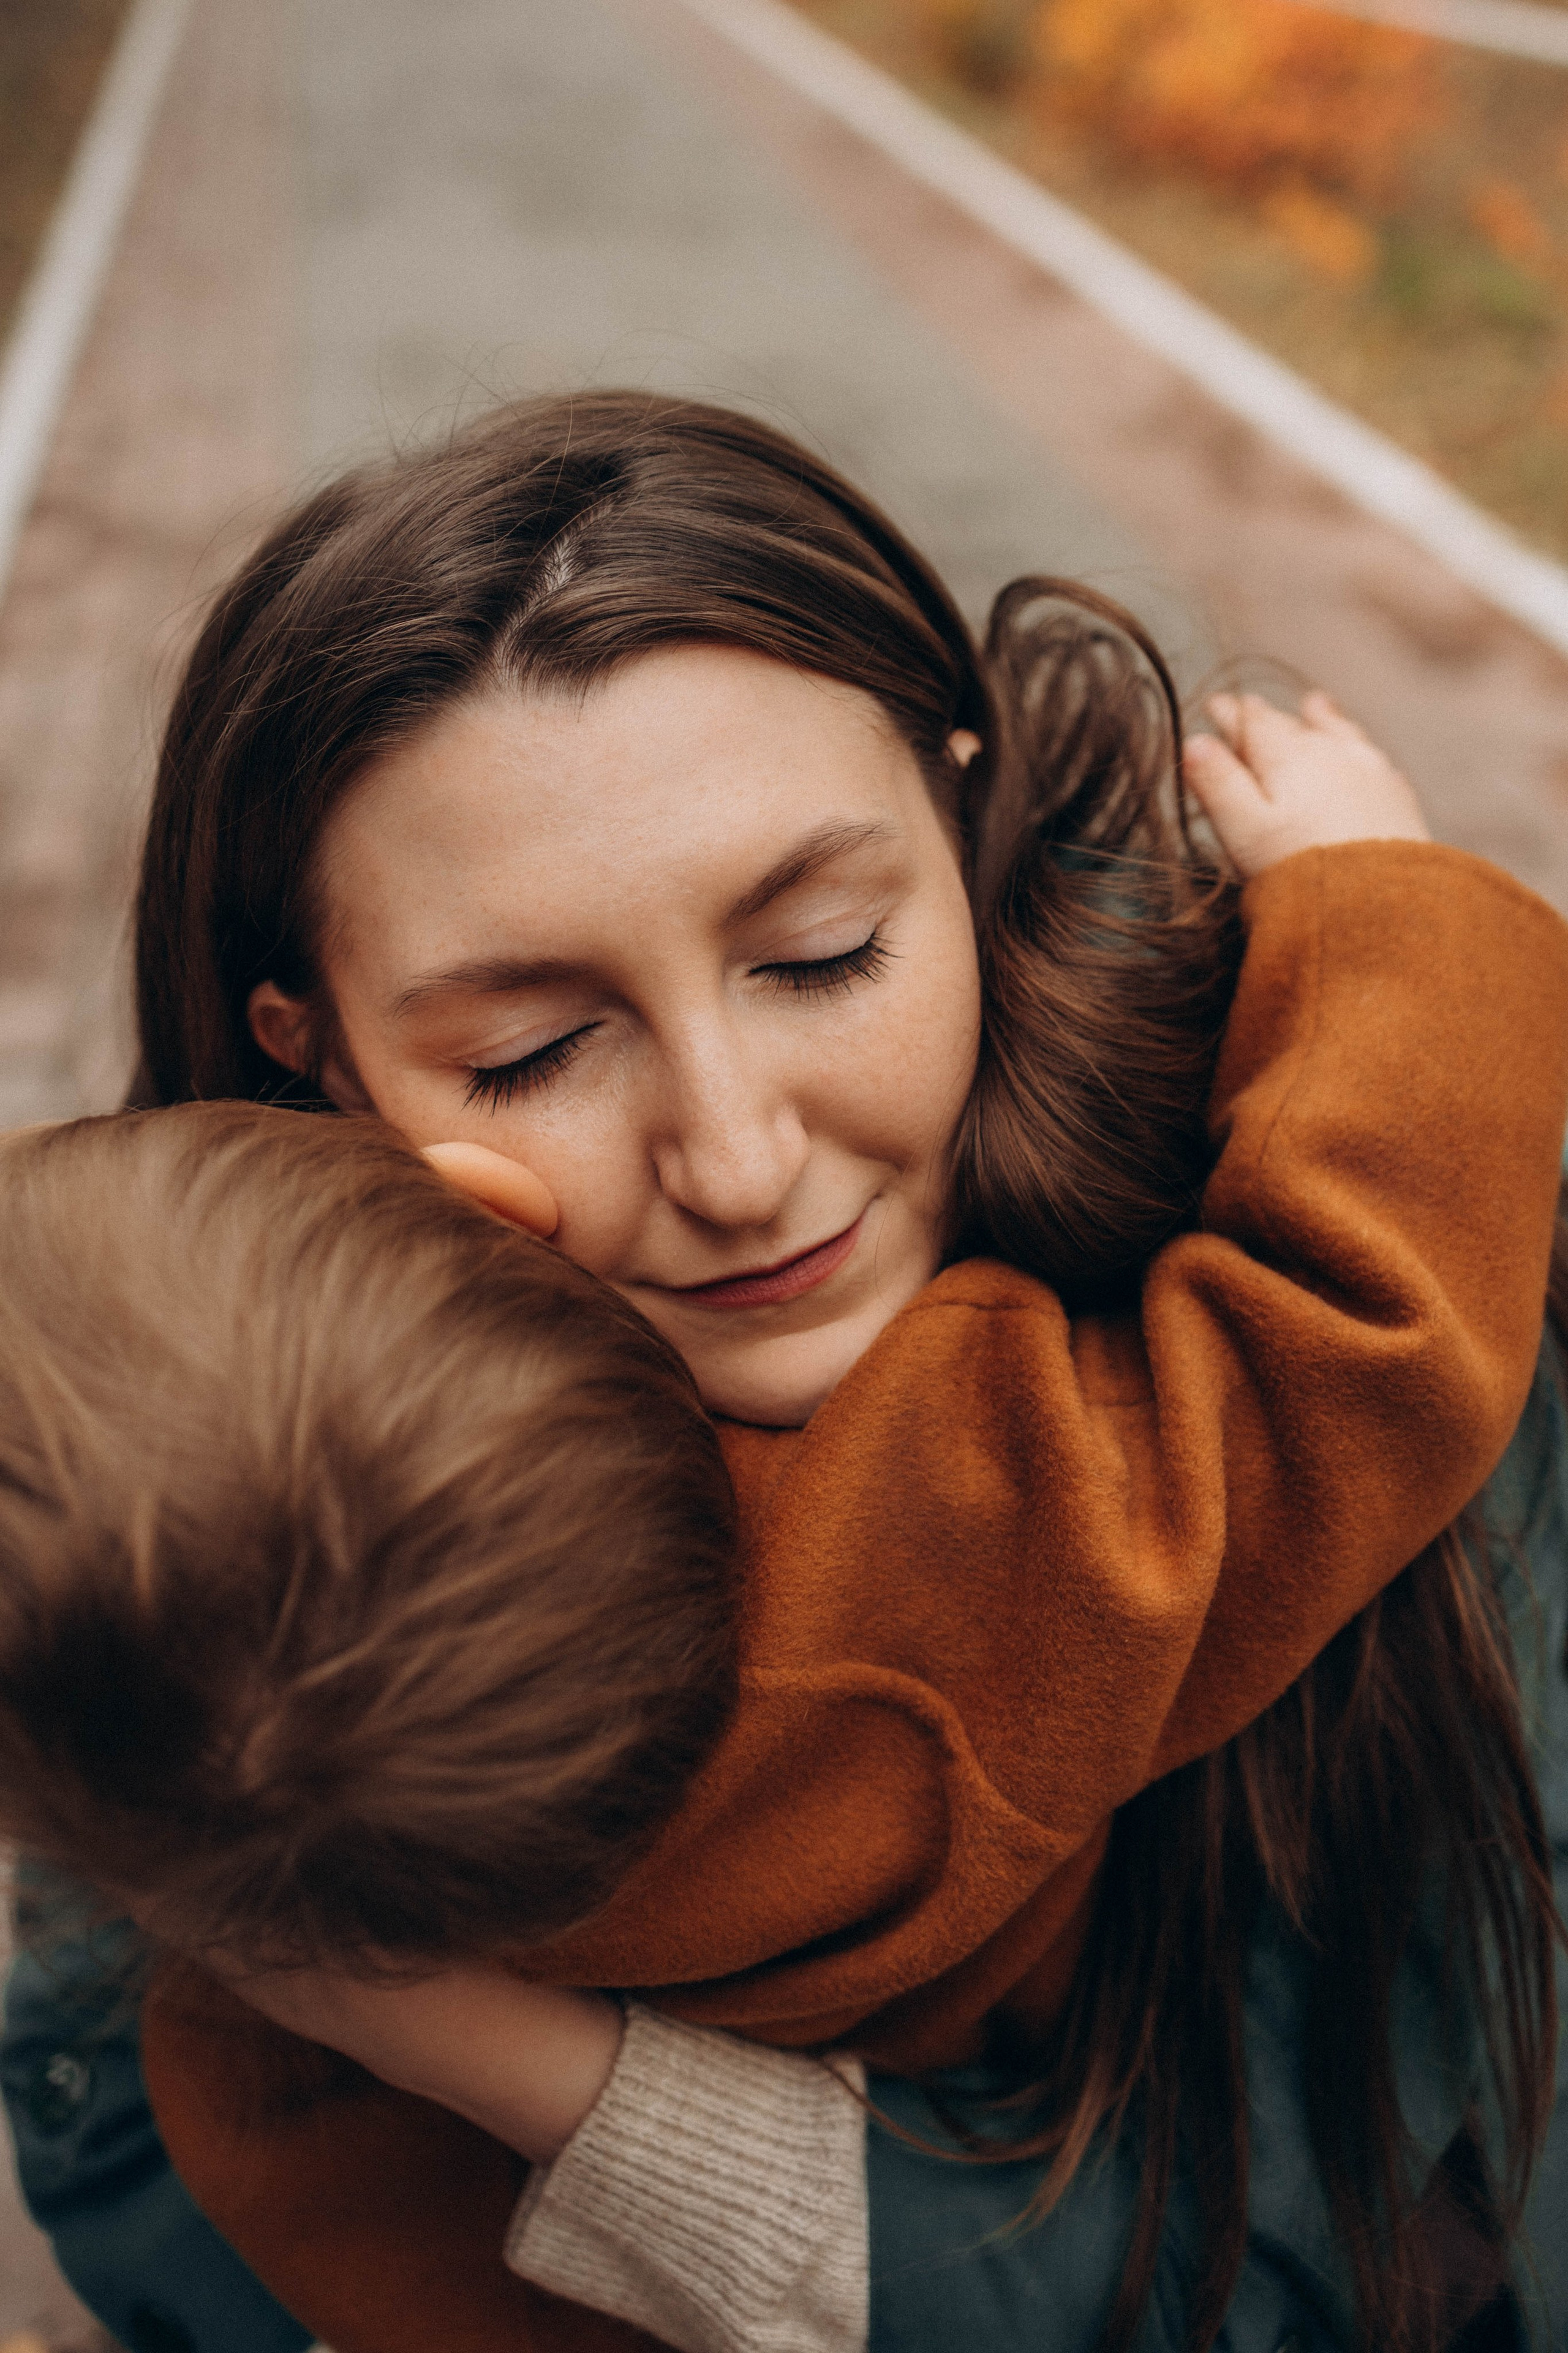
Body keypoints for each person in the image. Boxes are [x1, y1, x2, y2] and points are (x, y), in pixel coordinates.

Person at [4, 393, 1565, 2353]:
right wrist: (1400, 934)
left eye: (822, 953)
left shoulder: (137, 1666)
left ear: (960, 814)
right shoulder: (194, 1614)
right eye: (528, 1053)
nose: (738, 1167)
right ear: (319, 1064)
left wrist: (509, 2063)